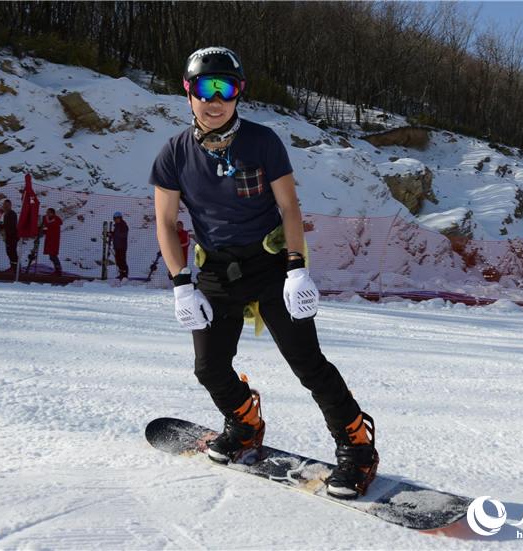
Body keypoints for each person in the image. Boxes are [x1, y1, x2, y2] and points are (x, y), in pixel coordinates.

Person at [149, 46, 378, 499]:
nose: (215, 100)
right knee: (209, 367)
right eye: (204, 89)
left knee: (307, 363)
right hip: (214, 270)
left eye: (226, 89)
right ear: (187, 91)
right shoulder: (173, 153)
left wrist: (296, 270)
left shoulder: (263, 141)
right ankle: (245, 421)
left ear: (239, 93)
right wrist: (180, 284)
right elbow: (165, 221)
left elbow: (289, 206)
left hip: (271, 264)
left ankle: (357, 446)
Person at [42, 208, 63, 275]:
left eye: (49, 212)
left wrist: (45, 229)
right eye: (47, 212)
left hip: (54, 240)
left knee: (53, 255)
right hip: (49, 240)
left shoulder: (56, 220)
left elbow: (50, 228)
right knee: (52, 256)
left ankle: (58, 270)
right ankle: (57, 269)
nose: (47, 214)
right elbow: (46, 228)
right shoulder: (47, 220)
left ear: (53, 213)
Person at [0, 199, 18, 272]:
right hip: (8, 236)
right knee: (9, 252)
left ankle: (16, 268)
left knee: (12, 252)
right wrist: (2, 226)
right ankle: (13, 267)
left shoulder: (12, 214)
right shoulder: (6, 214)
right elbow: (7, 225)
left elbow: (12, 226)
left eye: (7, 205)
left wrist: (4, 227)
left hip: (12, 236)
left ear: (10, 206)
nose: (5, 206)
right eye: (4, 205)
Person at [110, 211, 129, 280]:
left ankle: (124, 275)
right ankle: (121, 274)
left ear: (120, 218)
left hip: (122, 246)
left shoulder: (123, 226)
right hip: (117, 246)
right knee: (118, 261)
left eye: (118, 218)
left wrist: (114, 235)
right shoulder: (117, 226)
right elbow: (116, 235)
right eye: (115, 218)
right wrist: (111, 234)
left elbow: (123, 235)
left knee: (122, 260)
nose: (116, 220)